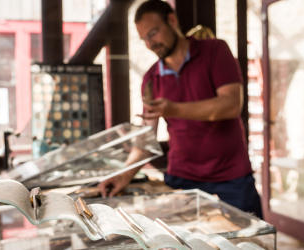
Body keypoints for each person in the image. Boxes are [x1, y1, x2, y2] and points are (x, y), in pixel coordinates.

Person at [98, 0, 262, 218]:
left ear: (172, 21)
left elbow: (231, 105)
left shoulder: (215, 51)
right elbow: (146, 140)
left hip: (231, 179)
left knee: (253, 241)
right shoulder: (151, 78)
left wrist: (174, 109)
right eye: (144, 39)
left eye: (153, 33)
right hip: (182, 180)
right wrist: (123, 174)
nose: (150, 43)